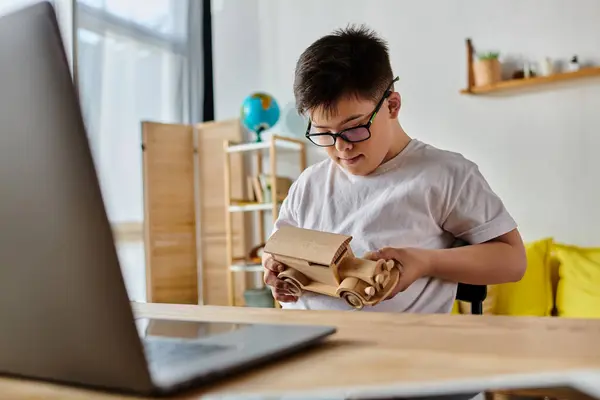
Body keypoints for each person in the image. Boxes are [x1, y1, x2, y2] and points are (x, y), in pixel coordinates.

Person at [262, 24, 526, 313]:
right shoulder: (309, 184)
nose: (340, 147)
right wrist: (273, 266)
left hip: (393, 350)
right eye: (324, 133)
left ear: (391, 106)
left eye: (353, 129)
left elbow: (512, 261)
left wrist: (425, 262)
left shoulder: (444, 174)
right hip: (302, 343)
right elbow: (276, 249)